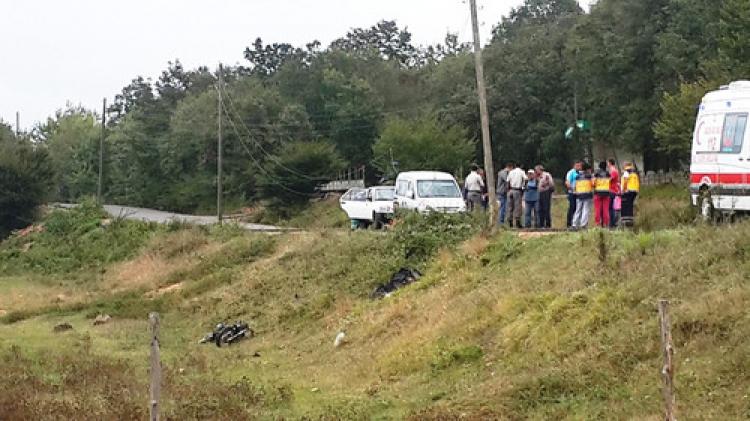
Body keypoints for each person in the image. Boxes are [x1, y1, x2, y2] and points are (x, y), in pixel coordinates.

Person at [572, 162, 593, 229]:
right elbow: (593, 184)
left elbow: (574, 186)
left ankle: (574, 224)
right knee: (585, 210)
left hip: (579, 195)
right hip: (587, 195)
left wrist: (575, 191)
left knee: (578, 210)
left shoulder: (577, 176)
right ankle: (583, 224)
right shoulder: (589, 176)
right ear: (587, 169)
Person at [506, 163, 527, 228]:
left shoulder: (511, 172)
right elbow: (526, 179)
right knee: (517, 207)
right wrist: (523, 186)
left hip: (511, 190)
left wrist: (508, 189)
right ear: (521, 166)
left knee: (510, 206)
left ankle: (510, 222)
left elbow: (507, 181)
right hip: (517, 190)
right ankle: (518, 222)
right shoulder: (521, 172)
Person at [620, 162, 640, 227]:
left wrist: (623, 190)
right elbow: (637, 182)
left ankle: (626, 220)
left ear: (625, 166)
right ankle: (631, 219)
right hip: (635, 191)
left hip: (628, 191)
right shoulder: (634, 173)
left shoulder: (626, 172)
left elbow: (625, 181)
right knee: (631, 204)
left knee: (626, 205)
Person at [593, 161, 612, 228]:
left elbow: (593, 183)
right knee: (606, 210)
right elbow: (610, 182)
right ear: (605, 166)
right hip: (606, 193)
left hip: (598, 193)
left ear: (599, 166)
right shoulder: (608, 174)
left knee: (598, 209)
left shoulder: (596, 174)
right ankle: (605, 224)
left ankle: (598, 224)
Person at [565, 161, 583, 228]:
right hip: (572, 193)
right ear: (574, 165)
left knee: (578, 208)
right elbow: (567, 182)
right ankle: (569, 223)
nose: (579, 167)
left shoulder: (581, 173)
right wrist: (572, 189)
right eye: (577, 165)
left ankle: (577, 223)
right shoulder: (571, 172)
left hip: (579, 193)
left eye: (580, 166)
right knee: (572, 208)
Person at [608, 159, 620, 228]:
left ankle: (612, 223)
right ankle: (612, 222)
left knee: (610, 208)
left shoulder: (613, 171)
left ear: (610, 163)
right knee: (611, 207)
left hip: (611, 190)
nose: (607, 164)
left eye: (608, 163)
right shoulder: (614, 170)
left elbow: (610, 180)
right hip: (612, 190)